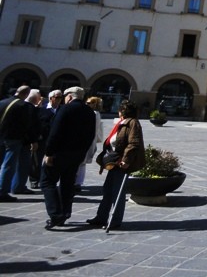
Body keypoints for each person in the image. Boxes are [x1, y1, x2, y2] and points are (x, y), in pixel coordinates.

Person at [40, 87, 96, 229]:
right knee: (68, 184)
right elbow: (90, 135)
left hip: (59, 153)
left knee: (47, 182)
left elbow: (55, 132)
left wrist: (49, 152)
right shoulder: (89, 112)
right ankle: (65, 213)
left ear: (69, 97)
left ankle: (55, 214)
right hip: (76, 154)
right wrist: (82, 152)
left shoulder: (65, 109)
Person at [86, 99, 145, 230]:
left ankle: (114, 220)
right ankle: (101, 217)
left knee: (117, 192)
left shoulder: (133, 123)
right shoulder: (123, 122)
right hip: (114, 161)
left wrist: (126, 160)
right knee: (107, 190)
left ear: (123, 111)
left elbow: (133, 143)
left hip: (121, 162)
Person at [0, 86, 37, 203]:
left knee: (4, 163)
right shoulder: (24, 106)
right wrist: (33, 140)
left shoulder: (2, 102)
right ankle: (3, 191)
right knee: (9, 165)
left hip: (2, 136)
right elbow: (28, 125)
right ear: (26, 94)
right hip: (14, 138)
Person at [11, 88, 40, 194]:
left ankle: (7, 186)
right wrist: (34, 140)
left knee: (8, 164)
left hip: (6, 138)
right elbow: (31, 126)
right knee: (22, 164)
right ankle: (18, 186)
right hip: (22, 140)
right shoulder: (28, 107)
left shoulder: (5, 103)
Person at [75, 96, 104, 192]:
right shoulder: (96, 114)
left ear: (94, 104)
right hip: (90, 141)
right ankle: (78, 182)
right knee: (81, 163)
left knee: (81, 163)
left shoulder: (93, 114)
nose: (86, 104)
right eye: (86, 102)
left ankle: (77, 182)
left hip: (88, 141)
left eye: (89, 103)